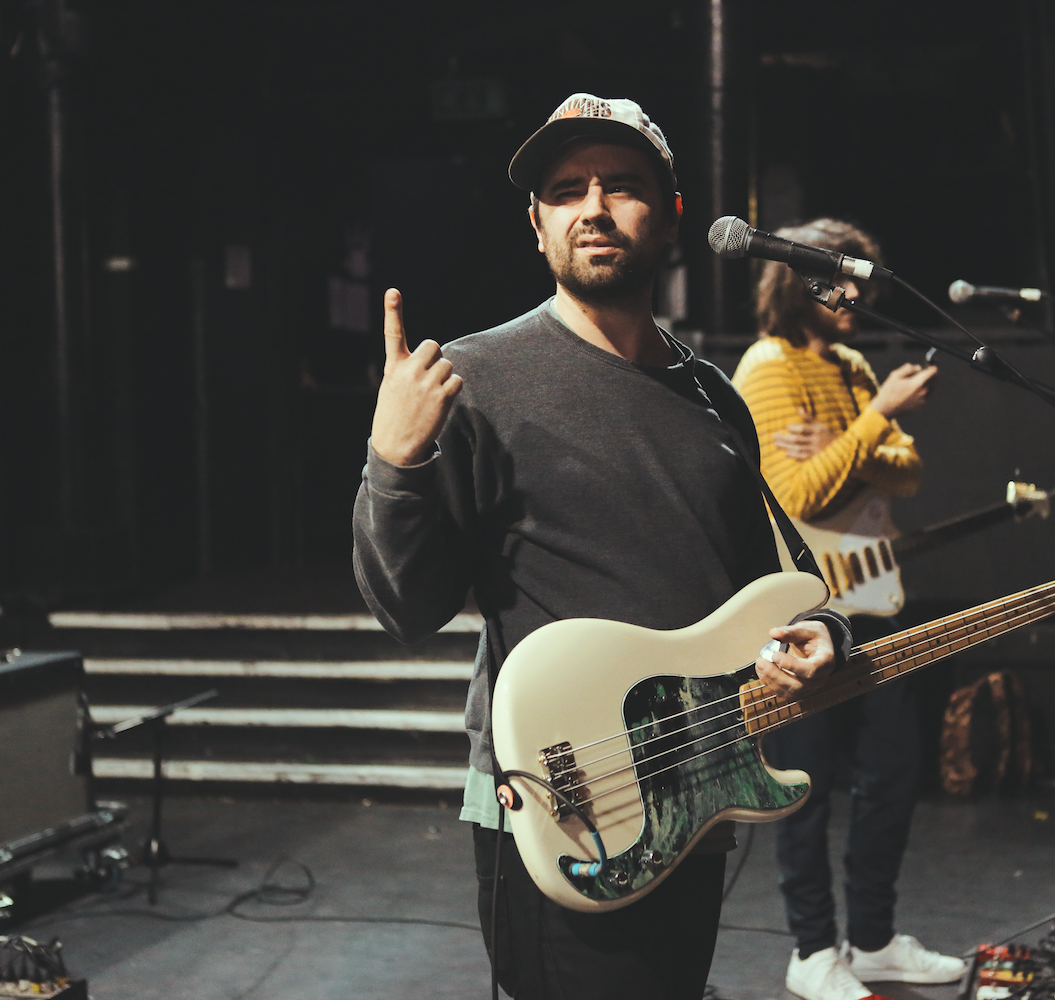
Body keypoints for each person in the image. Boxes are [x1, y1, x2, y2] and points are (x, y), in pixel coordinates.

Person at [353, 95, 851, 1000]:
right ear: (537, 222)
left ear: (670, 215)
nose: (592, 206)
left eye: (621, 187)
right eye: (566, 189)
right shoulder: (476, 378)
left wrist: (814, 643)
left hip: (691, 786)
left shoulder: (711, 395)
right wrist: (394, 460)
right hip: (559, 804)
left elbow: (761, 592)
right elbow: (405, 606)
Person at [731, 219, 966, 1000]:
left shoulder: (856, 363)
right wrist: (877, 418)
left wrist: (840, 440)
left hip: (874, 595)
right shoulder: (768, 366)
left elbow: (906, 472)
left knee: (892, 775)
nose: (859, 295)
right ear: (800, 280)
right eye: (841, 280)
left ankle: (870, 940)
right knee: (806, 784)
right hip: (805, 609)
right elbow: (794, 495)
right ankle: (810, 952)